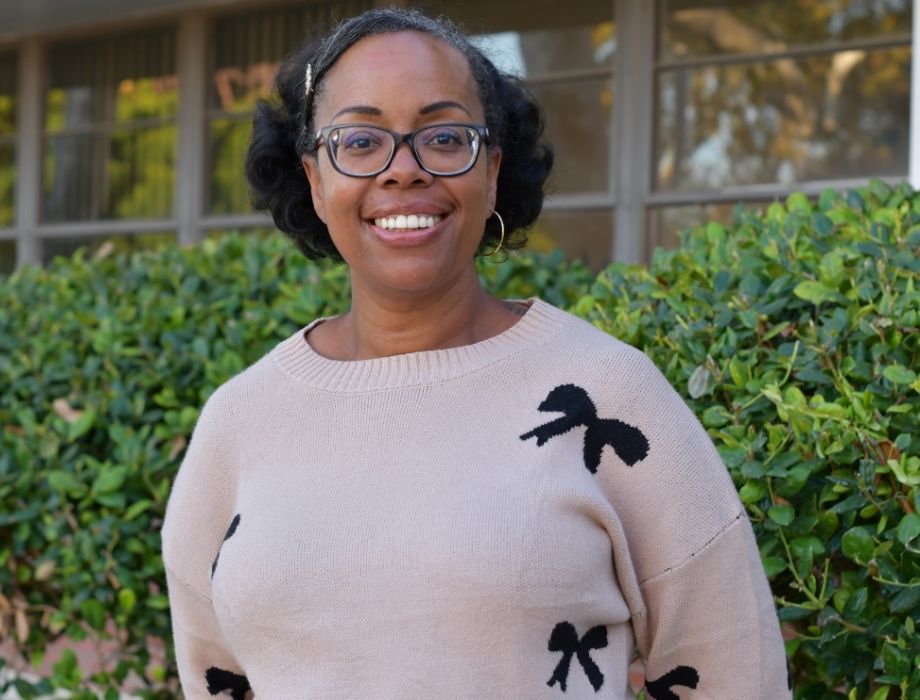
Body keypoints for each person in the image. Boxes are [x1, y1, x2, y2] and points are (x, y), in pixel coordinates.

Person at [161, 8, 789, 699]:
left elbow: (735, 673)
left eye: (445, 135)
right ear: (314, 178)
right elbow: (214, 678)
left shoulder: (610, 396)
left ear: (491, 170)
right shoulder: (240, 423)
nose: (404, 170)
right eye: (360, 140)